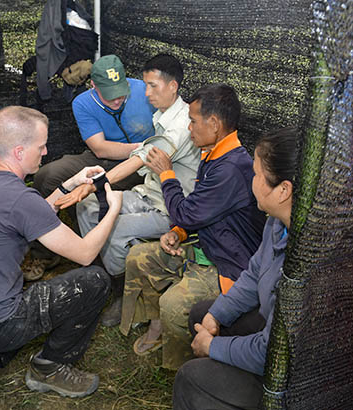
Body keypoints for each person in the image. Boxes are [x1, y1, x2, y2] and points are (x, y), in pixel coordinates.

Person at [0, 106, 123, 398]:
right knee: (96, 280)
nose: (45, 152)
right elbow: (85, 253)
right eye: (40, 146)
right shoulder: (19, 199)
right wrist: (113, 209)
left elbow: (30, 212)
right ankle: (49, 367)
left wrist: (70, 183)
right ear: (18, 151)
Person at [121, 84, 267, 370]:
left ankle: (189, 368)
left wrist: (166, 174)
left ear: (213, 124)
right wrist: (179, 233)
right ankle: (157, 328)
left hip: (227, 264)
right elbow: (200, 213)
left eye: (192, 120)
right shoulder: (214, 155)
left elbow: (187, 213)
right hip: (207, 246)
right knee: (138, 258)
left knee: (175, 305)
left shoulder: (230, 168)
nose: (189, 128)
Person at [54, 53, 201, 327]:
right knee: (87, 207)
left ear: (173, 86)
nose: (146, 93)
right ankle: (107, 276)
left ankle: (124, 292)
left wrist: (95, 184)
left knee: (114, 227)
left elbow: (137, 160)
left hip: (171, 208)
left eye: (153, 86)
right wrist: (91, 190)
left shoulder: (181, 125)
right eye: (144, 85)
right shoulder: (162, 115)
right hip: (149, 193)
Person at [173, 127, 300, 410]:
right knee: (202, 313)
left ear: (283, 190)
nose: (251, 182)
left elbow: (272, 352)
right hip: (273, 336)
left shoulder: (304, 265)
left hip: (293, 378)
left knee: (190, 377)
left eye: (256, 175)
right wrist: (217, 314)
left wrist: (212, 347)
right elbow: (254, 274)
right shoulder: (276, 223)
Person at [32, 54, 156, 197]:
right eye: (109, 95)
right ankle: (52, 215)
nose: (116, 101)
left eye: (120, 94)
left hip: (144, 162)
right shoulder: (82, 103)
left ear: (126, 83)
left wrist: (148, 152)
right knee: (47, 175)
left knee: (98, 194)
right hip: (106, 160)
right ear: (93, 85)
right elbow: (100, 149)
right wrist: (144, 148)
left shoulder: (144, 90)